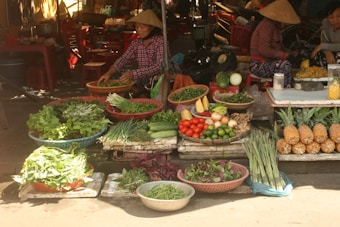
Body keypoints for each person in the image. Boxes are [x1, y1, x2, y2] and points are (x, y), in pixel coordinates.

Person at [97, 9, 166, 97]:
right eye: (136, 27)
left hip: (159, 80)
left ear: (152, 28)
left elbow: (159, 67)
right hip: (143, 80)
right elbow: (123, 59)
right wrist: (109, 73)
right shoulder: (136, 43)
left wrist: (133, 74)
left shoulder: (160, 42)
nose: (138, 30)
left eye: (142, 27)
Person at [249, 0, 301, 88]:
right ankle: (284, 94)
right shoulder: (266, 25)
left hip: (269, 63)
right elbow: (264, 49)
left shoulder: (276, 27)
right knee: (285, 66)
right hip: (258, 65)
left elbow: (280, 48)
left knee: (294, 64)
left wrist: (293, 54)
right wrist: (284, 55)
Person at [311, 1, 340, 68]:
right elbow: (324, 41)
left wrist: (322, 46)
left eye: (339, 16)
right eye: (331, 17)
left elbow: (323, 45)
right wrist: (327, 51)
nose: (335, 20)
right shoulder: (326, 23)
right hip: (332, 52)